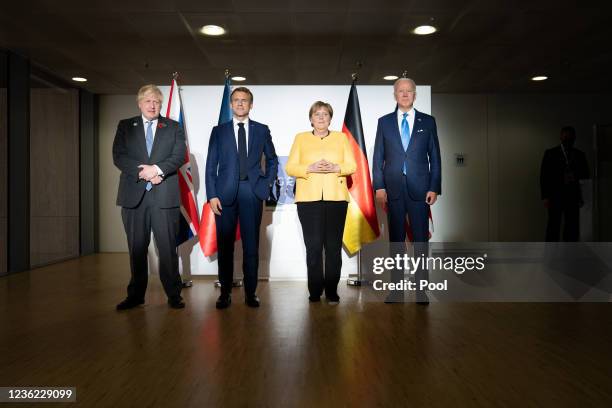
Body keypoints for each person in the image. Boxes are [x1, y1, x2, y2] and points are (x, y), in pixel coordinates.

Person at [113, 84, 186, 310]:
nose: (152, 105)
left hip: (164, 197)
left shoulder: (173, 127)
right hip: (134, 197)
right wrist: (143, 172)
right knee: (136, 248)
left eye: (156, 101)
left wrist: (157, 170)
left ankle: (174, 295)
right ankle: (135, 296)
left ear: (161, 104)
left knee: (167, 249)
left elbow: (178, 155)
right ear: (139, 103)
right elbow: (118, 156)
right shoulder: (126, 126)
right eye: (148, 101)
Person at [205, 87, 278, 309]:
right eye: (236, 100)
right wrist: (211, 195)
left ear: (251, 105)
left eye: (244, 100)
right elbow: (210, 166)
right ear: (231, 104)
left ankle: (250, 293)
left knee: (251, 246)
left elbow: (273, 160)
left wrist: (265, 185)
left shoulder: (262, 130)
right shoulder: (219, 131)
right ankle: (224, 293)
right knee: (225, 246)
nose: (240, 104)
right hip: (224, 194)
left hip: (252, 192)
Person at [372, 78, 441, 305]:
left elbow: (435, 158)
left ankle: (422, 290)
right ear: (395, 94)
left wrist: (434, 187)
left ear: (414, 94)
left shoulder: (428, 122)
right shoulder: (384, 122)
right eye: (400, 91)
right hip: (392, 190)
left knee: (421, 241)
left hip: (420, 190)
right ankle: (397, 290)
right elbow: (378, 158)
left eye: (408, 91)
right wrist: (379, 186)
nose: (404, 94)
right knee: (396, 242)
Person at [286, 101, 356, 304]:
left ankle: (332, 291)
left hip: (336, 199)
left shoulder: (341, 138)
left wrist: (336, 167)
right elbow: (291, 167)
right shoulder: (301, 138)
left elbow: (352, 165)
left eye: (325, 114)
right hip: (309, 201)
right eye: (317, 114)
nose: (321, 117)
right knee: (314, 247)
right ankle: (315, 291)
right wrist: (310, 167)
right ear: (311, 118)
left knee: (333, 248)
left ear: (330, 118)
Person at [540, 126, 590, 241]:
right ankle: (551, 254)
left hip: (572, 195)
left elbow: (585, 176)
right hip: (555, 195)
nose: (568, 138)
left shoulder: (579, 155)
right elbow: (544, 176)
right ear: (560, 136)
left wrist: (582, 196)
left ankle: (569, 253)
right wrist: (545, 196)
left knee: (571, 226)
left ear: (574, 138)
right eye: (565, 136)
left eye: (570, 136)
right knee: (553, 225)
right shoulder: (550, 153)